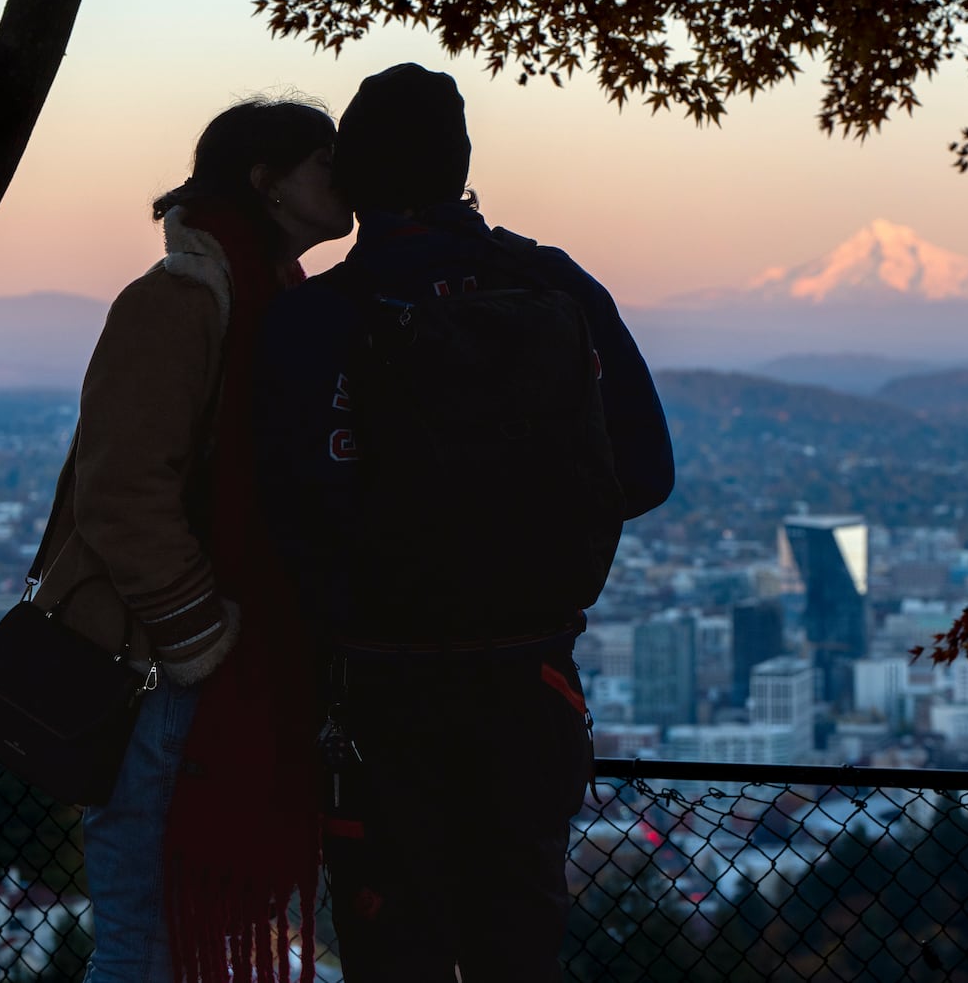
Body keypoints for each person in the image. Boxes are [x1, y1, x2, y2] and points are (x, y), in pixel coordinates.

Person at [254, 63, 675, 982]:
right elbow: (644, 472)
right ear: (463, 162)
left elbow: (284, 510)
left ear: (352, 175)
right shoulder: (554, 285)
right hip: (531, 684)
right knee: (518, 944)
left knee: (391, 947)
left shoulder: (317, 316)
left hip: (379, 696)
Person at [34, 95, 352, 983]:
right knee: (145, 943)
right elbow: (121, 489)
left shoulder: (269, 302)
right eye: (326, 162)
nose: (348, 178)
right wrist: (201, 637)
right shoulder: (179, 301)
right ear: (267, 182)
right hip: (168, 673)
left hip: (218, 672)